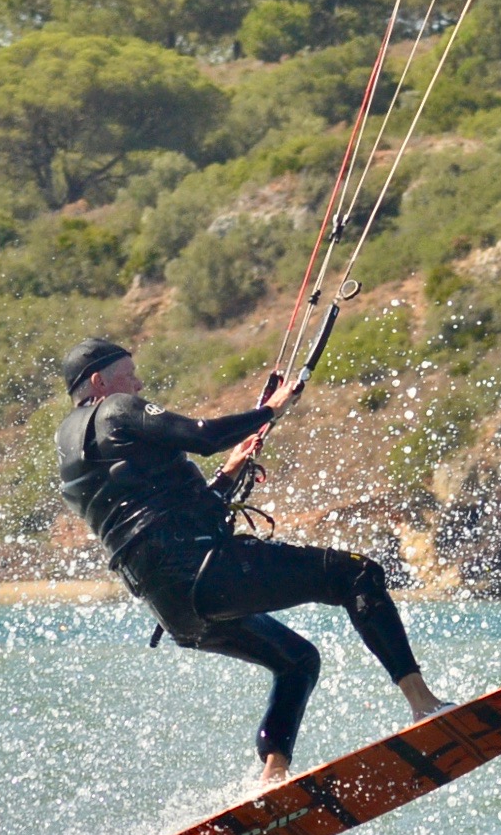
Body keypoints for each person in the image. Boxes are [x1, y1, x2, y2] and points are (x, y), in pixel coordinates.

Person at [55, 336, 450, 785]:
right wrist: (271, 409)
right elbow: (204, 437)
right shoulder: (116, 408)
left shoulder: (70, 445)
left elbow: (160, 520)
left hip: (175, 611)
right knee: (357, 574)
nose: (139, 382)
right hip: (207, 570)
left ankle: (273, 774)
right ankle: (424, 705)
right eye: (129, 373)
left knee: (297, 660)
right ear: (98, 380)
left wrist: (227, 475)